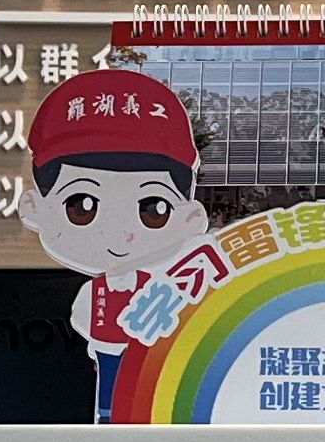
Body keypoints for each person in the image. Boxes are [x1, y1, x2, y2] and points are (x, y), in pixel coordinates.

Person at [11, 65, 212, 421]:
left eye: (152, 209)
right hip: (105, 357)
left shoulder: (173, 286)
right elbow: (82, 320)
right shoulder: (94, 292)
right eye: (82, 206)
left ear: (191, 218)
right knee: (109, 403)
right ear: (34, 208)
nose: (119, 235)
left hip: (157, 374)